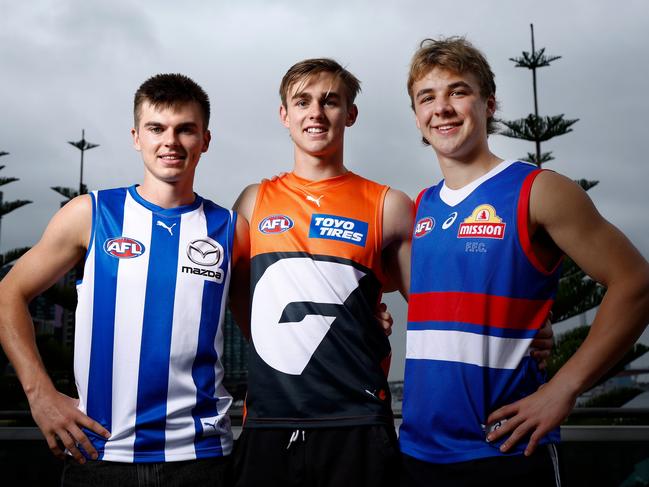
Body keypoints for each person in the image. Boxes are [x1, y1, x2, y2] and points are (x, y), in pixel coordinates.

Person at [400, 37, 649, 487]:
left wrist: (564, 388)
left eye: (459, 91)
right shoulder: (422, 206)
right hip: (418, 453)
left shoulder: (539, 190)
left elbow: (636, 282)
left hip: (507, 451)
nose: (443, 107)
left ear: (489, 103)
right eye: (427, 97)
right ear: (418, 116)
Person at [0, 73, 250, 486]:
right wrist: (39, 395)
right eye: (157, 128)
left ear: (205, 139)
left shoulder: (230, 228)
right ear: (137, 136)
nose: (170, 141)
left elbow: (265, 327)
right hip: (99, 452)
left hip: (200, 458)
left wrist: (366, 316)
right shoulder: (92, 213)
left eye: (185, 129)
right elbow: (9, 292)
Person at [230, 58, 414, 487]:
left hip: (357, 419)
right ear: (285, 115)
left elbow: (433, 307)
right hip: (269, 420)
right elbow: (229, 295)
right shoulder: (252, 202)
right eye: (302, 101)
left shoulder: (389, 205)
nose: (315, 112)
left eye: (330, 101)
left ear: (350, 113)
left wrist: (521, 330)